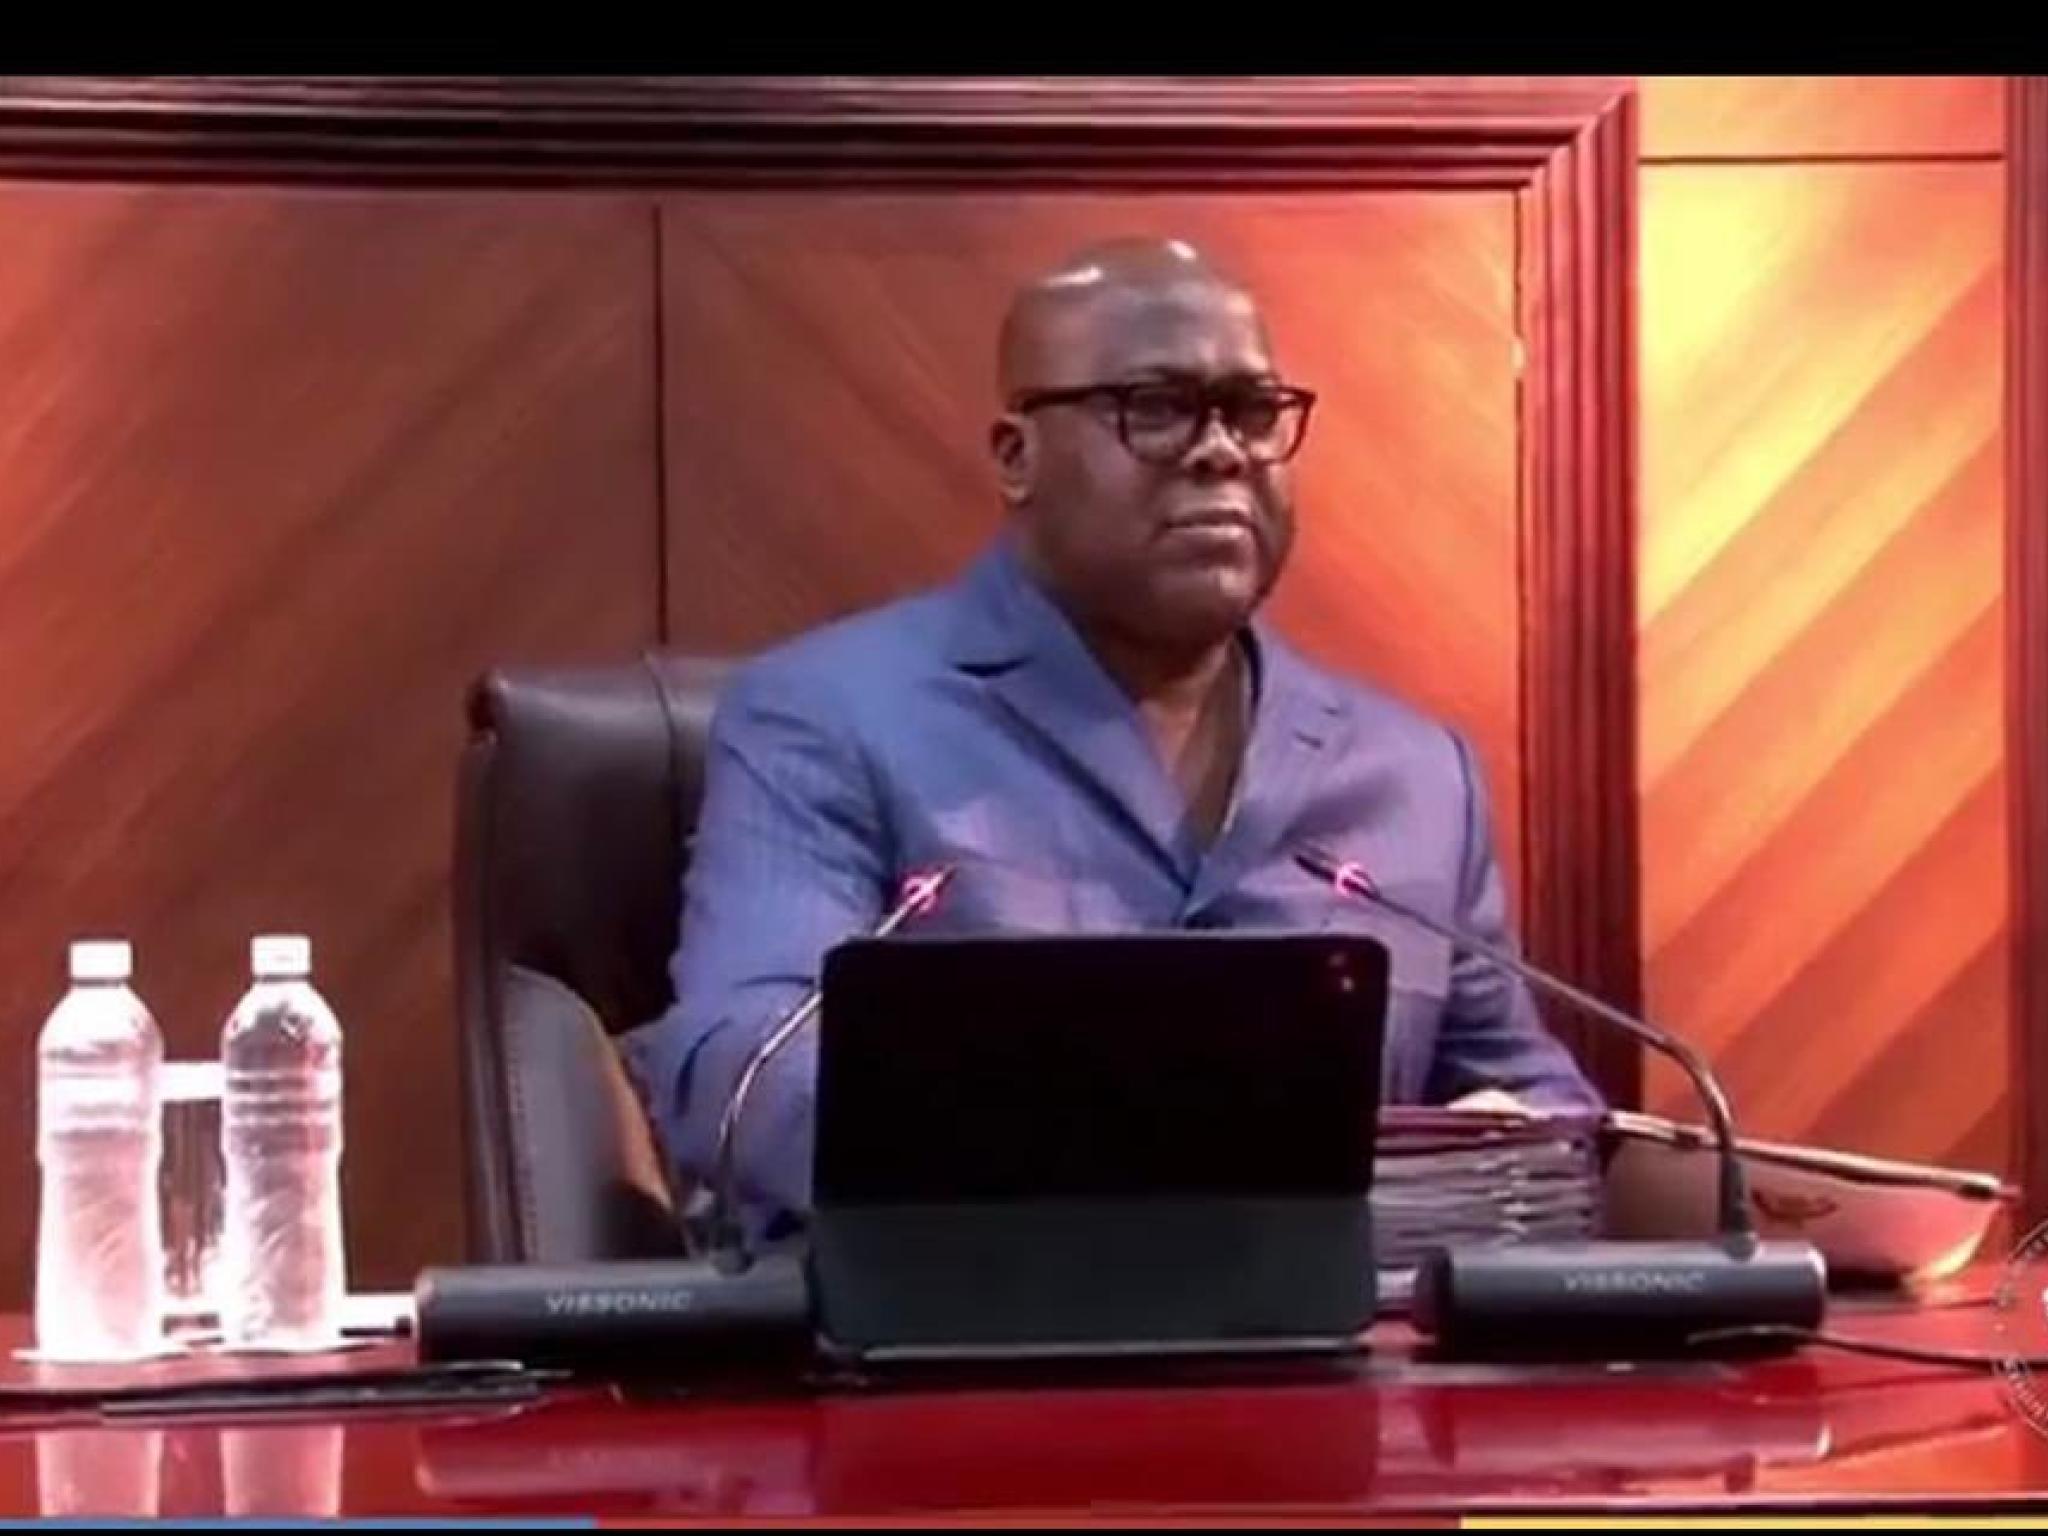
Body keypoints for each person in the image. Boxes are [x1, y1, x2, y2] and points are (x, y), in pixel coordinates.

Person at [620, 236, 1602, 1241]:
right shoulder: (829, 717)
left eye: (1252, 412)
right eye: (1156, 407)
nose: (1220, 451)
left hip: (1347, 1326)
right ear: (1018, 457)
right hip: (972, 1318)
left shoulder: (1414, 775)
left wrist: (1565, 1151)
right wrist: (1114, 1166)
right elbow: (741, 1069)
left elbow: (1532, 1114)